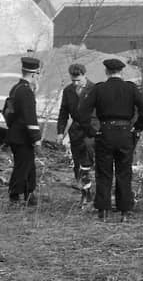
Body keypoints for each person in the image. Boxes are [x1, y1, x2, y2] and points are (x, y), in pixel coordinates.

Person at [78, 58, 143, 221]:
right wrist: (137, 128)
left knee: (104, 172)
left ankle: (103, 211)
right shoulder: (130, 89)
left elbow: (82, 113)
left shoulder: (99, 89)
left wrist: (91, 131)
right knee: (124, 172)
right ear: (122, 72)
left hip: (105, 132)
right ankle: (125, 211)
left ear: (106, 71)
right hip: (125, 133)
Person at [57, 62, 98, 204]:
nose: (75, 83)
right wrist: (60, 132)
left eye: (78, 80)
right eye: (73, 80)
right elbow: (63, 112)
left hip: (91, 131)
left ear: (84, 75)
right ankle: (85, 192)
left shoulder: (94, 89)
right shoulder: (68, 91)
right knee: (77, 164)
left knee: (88, 162)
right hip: (75, 131)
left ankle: (94, 193)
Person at [6, 56, 43, 205]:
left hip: (15, 133)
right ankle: (14, 195)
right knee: (23, 166)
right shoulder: (26, 92)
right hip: (23, 136)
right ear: (34, 74)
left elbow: (8, 112)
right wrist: (37, 139)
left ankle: (30, 193)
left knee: (29, 165)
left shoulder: (15, 88)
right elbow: (30, 118)